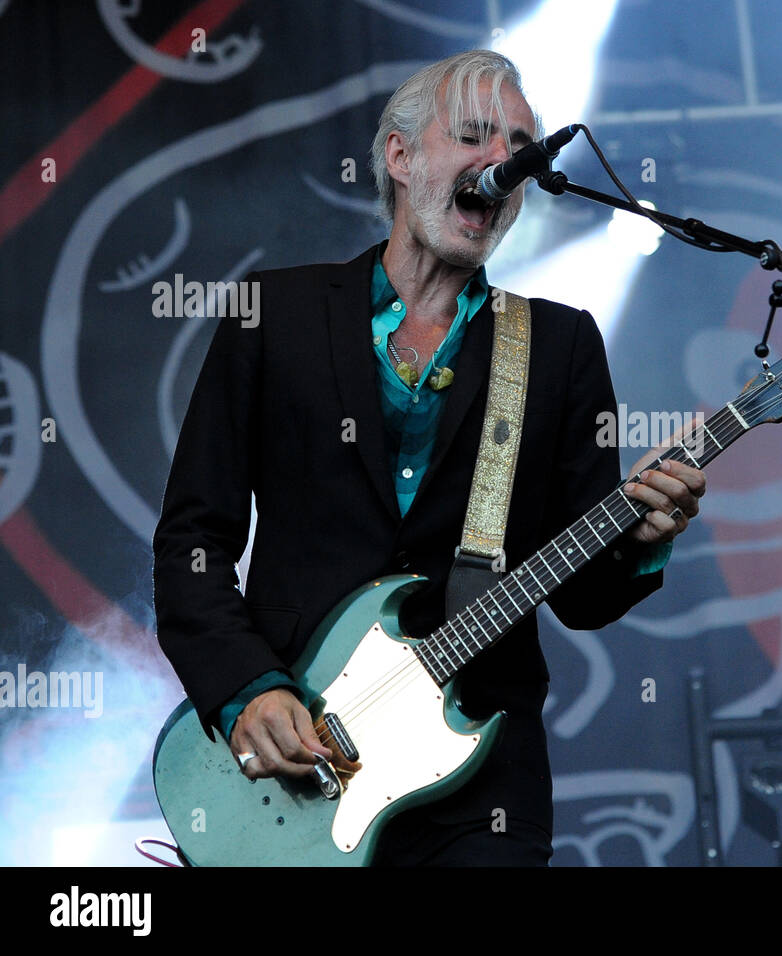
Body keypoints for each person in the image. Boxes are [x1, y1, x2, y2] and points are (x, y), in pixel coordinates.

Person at [152, 49, 705, 866]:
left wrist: (644, 535)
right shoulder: (273, 315)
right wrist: (249, 689)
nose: (502, 162)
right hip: (295, 763)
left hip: (481, 785)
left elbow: (583, 595)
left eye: (518, 144)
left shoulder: (556, 345)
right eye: (476, 135)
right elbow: (191, 542)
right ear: (400, 157)